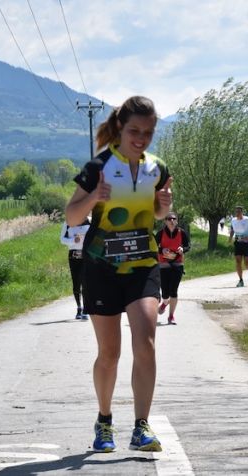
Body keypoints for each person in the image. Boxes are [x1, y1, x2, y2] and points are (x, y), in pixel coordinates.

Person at [65, 96, 172, 453]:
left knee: (147, 342)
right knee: (109, 352)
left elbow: (157, 214)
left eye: (148, 132)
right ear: (121, 129)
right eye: (134, 131)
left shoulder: (157, 168)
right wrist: (94, 196)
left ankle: (142, 426)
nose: (141, 138)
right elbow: (72, 217)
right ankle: (104, 420)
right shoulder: (99, 165)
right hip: (101, 267)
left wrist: (163, 208)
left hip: (142, 264)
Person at [155, 212, 190, 325]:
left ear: (177, 221)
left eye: (174, 219)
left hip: (178, 264)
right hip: (164, 264)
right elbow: (154, 246)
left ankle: (171, 316)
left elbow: (188, 245)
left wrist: (182, 249)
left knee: (174, 291)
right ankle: (165, 303)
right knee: (165, 293)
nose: (171, 221)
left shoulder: (182, 232)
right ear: (165, 221)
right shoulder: (160, 233)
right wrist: (162, 250)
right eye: (169, 219)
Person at [60, 218, 91, 320]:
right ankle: (79, 308)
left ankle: (86, 309)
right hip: (73, 256)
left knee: (85, 282)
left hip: (86, 255)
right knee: (76, 283)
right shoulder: (68, 222)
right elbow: (62, 239)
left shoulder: (90, 221)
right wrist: (73, 240)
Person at [229, 206, 248, 287]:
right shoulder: (233, 220)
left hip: (246, 243)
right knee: (238, 262)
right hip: (237, 242)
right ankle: (241, 280)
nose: (237, 213)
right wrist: (230, 238)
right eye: (236, 212)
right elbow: (232, 229)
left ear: (242, 212)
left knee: (247, 263)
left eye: (238, 212)